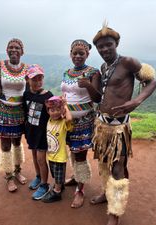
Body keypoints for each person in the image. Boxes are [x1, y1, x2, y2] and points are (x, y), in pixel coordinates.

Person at [90, 22, 156, 225]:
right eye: (100, 47)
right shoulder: (104, 67)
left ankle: (115, 212)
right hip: (101, 126)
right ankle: (106, 192)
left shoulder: (128, 62)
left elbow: (152, 81)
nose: (104, 49)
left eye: (108, 45)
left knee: (118, 168)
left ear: (116, 43)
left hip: (119, 127)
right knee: (103, 164)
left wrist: (136, 101)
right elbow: (102, 94)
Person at [61, 39, 101, 208]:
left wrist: (89, 86)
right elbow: (65, 94)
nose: (77, 56)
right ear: (70, 54)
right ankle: (77, 177)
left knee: (81, 155)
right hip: (67, 119)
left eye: (81, 53)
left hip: (84, 121)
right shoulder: (67, 72)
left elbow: (98, 98)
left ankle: (81, 189)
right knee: (72, 150)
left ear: (87, 55)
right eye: (74, 53)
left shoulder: (93, 72)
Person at [0, 38, 28, 192]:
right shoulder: (0, 66)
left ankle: (18, 171)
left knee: (17, 143)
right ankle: (9, 176)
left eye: (17, 48)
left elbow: (29, 90)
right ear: (7, 51)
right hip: (4, 111)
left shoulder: (26, 68)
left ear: (22, 51)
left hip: (19, 111)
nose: (14, 50)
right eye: (11, 48)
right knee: (5, 145)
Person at [23, 64, 53, 200]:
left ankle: (44, 185)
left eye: (40, 79)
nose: (38, 82)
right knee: (35, 157)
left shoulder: (48, 96)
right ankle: (38, 176)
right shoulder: (26, 94)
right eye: (34, 79)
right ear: (27, 80)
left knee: (41, 159)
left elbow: (54, 114)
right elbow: (25, 111)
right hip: (31, 132)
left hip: (43, 134)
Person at [42, 96, 73, 203]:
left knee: (59, 174)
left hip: (60, 156)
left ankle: (57, 192)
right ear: (48, 111)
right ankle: (60, 186)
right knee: (55, 174)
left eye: (57, 110)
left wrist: (65, 105)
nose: (55, 112)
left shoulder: (63, 122)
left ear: (62, 111)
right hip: (51, 154)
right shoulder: (49, 121)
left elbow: (69, 118)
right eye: (52, 110)